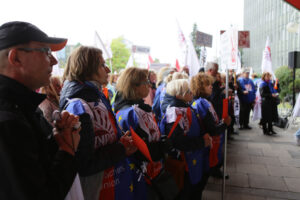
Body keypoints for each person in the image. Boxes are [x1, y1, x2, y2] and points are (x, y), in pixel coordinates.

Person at [0, 21, 81, 200]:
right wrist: (67, 150)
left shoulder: (22, 107)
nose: (54, 60)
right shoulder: (8, 121)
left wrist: (59, 138)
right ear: (16, 58)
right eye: (46, 51)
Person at [60, 46, 137, 200]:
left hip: (109, 182)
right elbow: (85, 163)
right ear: (87, 68)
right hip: (94, 189)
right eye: (102, 65)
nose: (108, 70)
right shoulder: (78, 104)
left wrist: (120, 139)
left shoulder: (96, 96)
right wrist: (121, 148)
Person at [114, 67, 173, 199]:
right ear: (134, 87)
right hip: (142, 176)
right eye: (145, 82)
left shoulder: (138, 108)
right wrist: (162, 147)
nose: (149, 85)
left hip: (153, 171)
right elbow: (139, 149)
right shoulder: (131, 112)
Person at [160, 79, 211, 200]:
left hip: (193, 157)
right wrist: (201, 142)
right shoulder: (174, 111)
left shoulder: (186, 107)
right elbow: (177, 141)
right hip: (184, 161)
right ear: (178, 95)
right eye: (188, 91)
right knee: (186, 192)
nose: (191, 93)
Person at [191, 73, 231, 180]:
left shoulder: (205, 101)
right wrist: (225, 124)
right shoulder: (200, 103)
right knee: (203, 176)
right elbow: (211, 129)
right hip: (206, 146)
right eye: (207, 84)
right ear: (199, 87)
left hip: (212, 144)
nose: (211, 86)